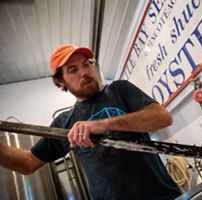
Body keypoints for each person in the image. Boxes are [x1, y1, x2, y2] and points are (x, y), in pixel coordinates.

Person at [0, 44, 181, 199]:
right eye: (73, 69)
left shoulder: (119, 90)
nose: (85, 72)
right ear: (61, 81)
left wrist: (105, 124)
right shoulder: (64, 123)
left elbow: (162, 117)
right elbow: (27, 163)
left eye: (86, 65)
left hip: (164, 195)